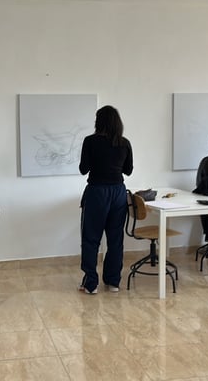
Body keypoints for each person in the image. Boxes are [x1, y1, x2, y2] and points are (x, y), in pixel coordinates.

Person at [78, 105, 133, 294]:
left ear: (98, 121)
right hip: (118, 193)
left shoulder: (90, 141)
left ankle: (91, 284)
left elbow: (83, 169)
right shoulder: (124, 143)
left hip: (97, 192)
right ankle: (113, 282)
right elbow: (128, 170)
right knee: (115, 240)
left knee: (91, 238)